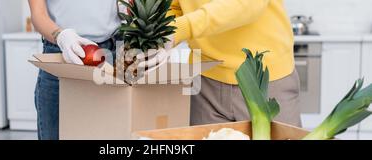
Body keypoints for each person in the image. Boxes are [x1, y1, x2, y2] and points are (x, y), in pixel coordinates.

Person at [147, 0, 302, 127]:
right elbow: (173, 5)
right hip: (204, 80)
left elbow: (247, 4)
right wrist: (162, 33)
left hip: (264, 79)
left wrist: (179, 29)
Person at [28, 0, 121, 140]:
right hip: (60, 53)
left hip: (111, 53)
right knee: (54, 134)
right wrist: (61, 36)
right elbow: (38, 14)